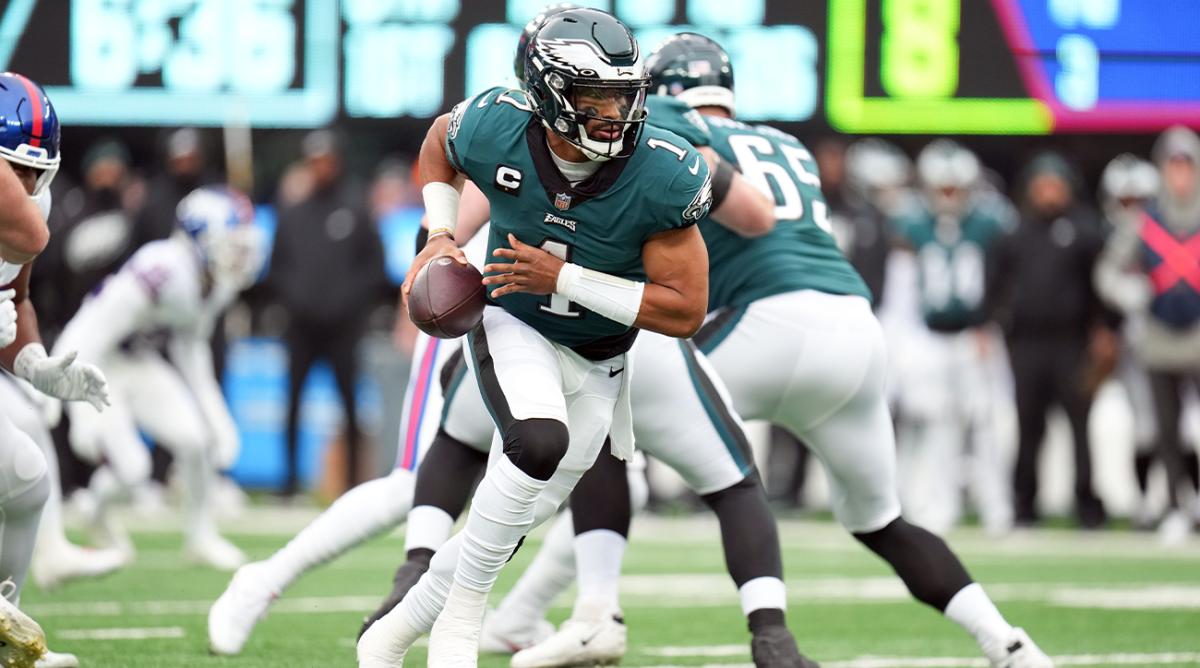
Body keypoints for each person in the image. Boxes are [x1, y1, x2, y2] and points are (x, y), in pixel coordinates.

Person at [607, 34, 1043, 668]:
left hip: (765, 319)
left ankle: (567, 612)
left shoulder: (674, 123)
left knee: (609, 441)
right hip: (853, 326)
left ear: (665, 89)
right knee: (881, 520)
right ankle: (1008, 642)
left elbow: (657, 141)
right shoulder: (788, 145)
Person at [357, 8, 713, 665]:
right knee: (536, 440)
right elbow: (440, 144)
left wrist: (566, 277)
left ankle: (390, 632)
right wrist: (440, 234)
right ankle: (458, 631)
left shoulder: (663, 170)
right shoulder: (497, 123)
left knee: (511, 519)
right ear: (549, 92)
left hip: (601, 357)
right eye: (595, 98)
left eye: (624, 96)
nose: (615, 114)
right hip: (513, 319)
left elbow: (685, 310)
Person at [54, 185, 263, 570]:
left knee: (196, 441)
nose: (239, 252)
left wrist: (214, 413)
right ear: (201, 238)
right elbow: (91, 330)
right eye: (230, 242)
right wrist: (71, 399)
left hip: (141, 360)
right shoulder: (161, 269)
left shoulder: (216, 282)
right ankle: (95, 510)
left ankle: (201, 536)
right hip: (99, 364)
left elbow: (190, 348)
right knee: (133, 471)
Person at [0, 71, 111, 668]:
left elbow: (14, 299)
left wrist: (35, 364)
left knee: (26, 477)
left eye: (33, 172)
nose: (27, 186)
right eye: (12, 169)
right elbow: (31, 233)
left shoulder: (29, 203)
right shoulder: (30, 219)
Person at [891, 140, 1015, 535]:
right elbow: (904, 287)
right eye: (942, 188)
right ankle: (943, 504)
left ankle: (997, 505)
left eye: (954, 188)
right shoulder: (912, 220)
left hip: (976, 335)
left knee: (986, 422)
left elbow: (1006, 279)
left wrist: (991, 323)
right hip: (933, 337)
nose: (948, 195)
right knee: (940, 424)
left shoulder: (990, 220)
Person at [986, 152, 1112, 529]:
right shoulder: (1015, 234)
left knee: (1079, 425)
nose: (1048, 192)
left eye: (1054, 184)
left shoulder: (1085, 231)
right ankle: (1024, 503)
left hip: (1071, 342)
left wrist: (1104, 329)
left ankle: (1087, 503)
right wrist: (1000, 327)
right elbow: (997, 287)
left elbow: (1101, 287)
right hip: (1027, 342)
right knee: (1028, 426)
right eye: (1042, 184)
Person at [267, 129, 388, 496]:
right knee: (292, 403)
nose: (321, 169)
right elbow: (277, 269)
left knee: (351, 406)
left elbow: (375, 270)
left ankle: (351, 484)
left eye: (327, 161)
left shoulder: (356, 210)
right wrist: (297, 301)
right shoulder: (293, 214)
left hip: (343, 329)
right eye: (315, 162)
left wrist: (347, 304)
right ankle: (287, 483)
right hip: (301, 328)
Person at [1094, 126, 1200, 544]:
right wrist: (1130, 292)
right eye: (1172, 167)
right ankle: (1175, 505)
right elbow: (1107, 270)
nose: (1179, 175)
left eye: (1185, 166)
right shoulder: (1147, 221)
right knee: (1166, 430)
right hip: (1159, 338)